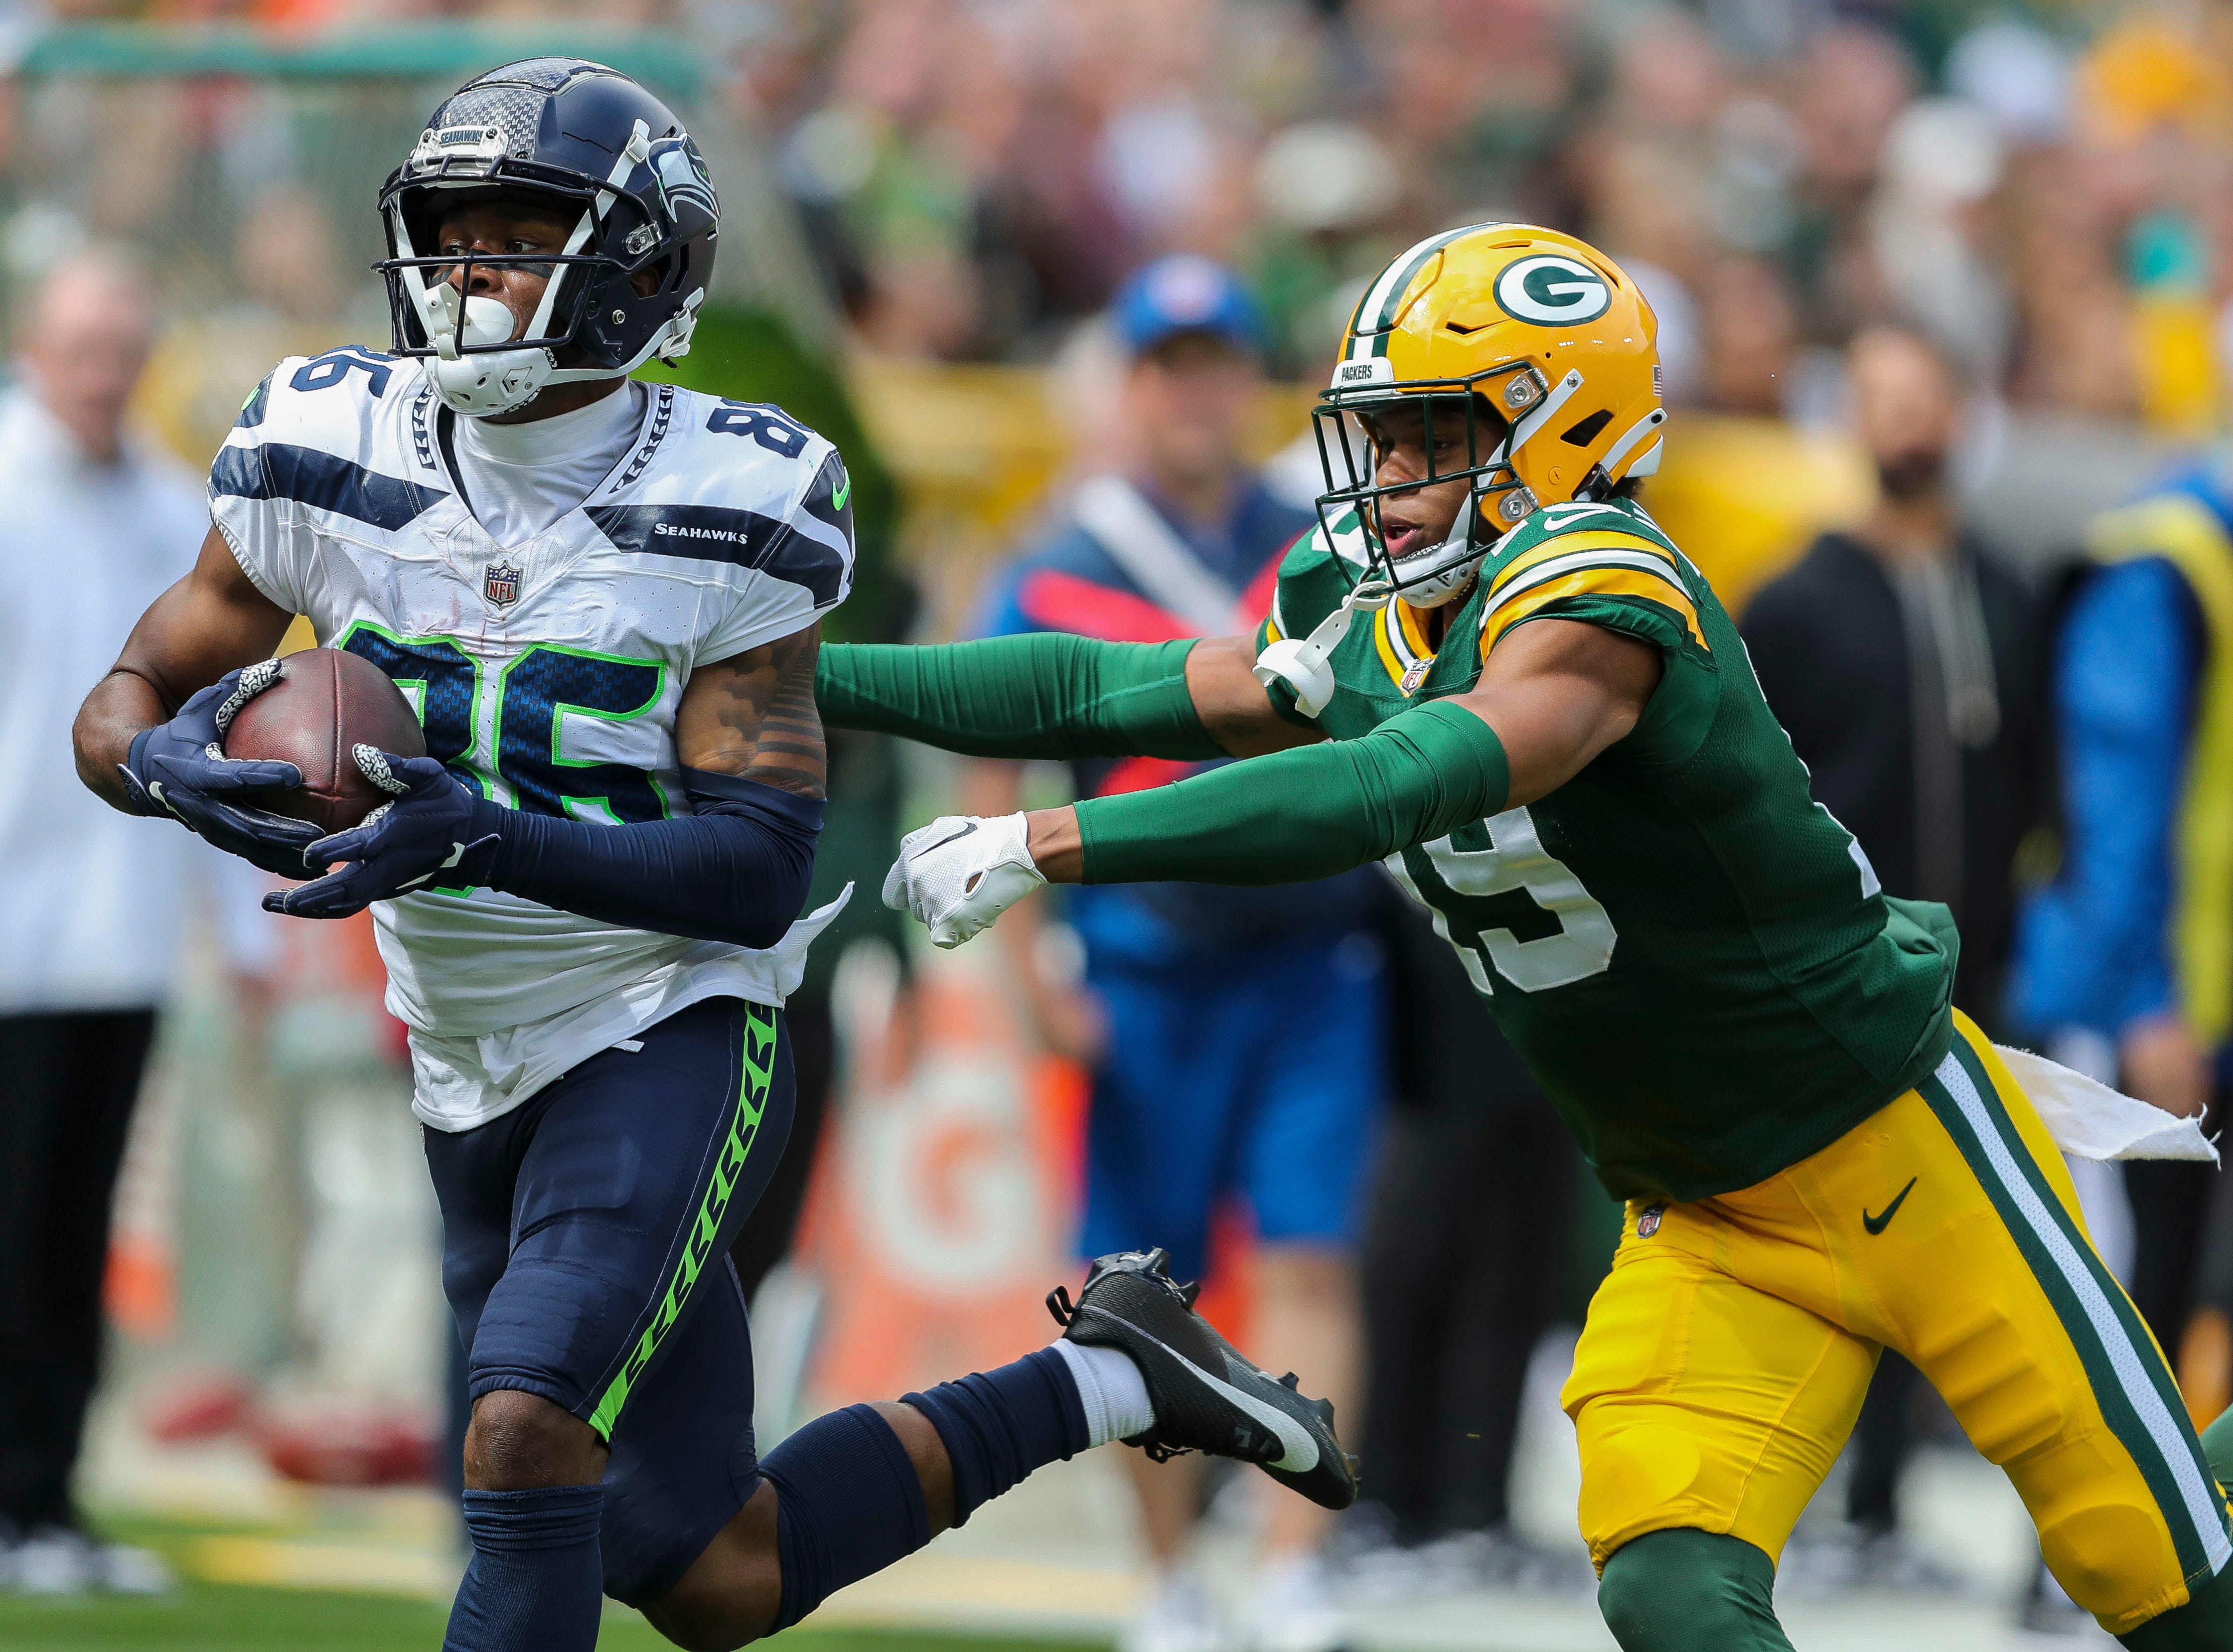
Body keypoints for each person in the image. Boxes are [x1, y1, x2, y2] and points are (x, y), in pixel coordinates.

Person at [72, 60, 1351, 1652]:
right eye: (453, 228)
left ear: (641, 271)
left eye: (523, 231)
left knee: (521, 1432)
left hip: (664, 1018)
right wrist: (159, 762)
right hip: (466, 1045)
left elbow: (751, 862)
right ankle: (1112, 1371)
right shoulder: (321, 435)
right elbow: (129, 696)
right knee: (711, 1571)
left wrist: (479, 828)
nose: (471, 268)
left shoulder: (736, 490)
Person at [819, 222, 2233, 1651]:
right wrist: (799, 673)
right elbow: (1101, 690)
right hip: (1700, 1209)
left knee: (2172, 1584)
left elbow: (1395, 781)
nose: (1387, 481)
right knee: (1671, 1591)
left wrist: (1048, 842)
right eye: (1375, 440)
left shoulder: (1599, 588)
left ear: (1562, 430)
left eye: (1427, 436)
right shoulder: (1386, 600)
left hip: (1894, 1144)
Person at [968, 254, 1382, 1652]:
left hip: (1310, 952)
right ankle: (1168, 1580)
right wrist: (1027, 976)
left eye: (1217, 364)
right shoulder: (1058, 558)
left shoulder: (1319, 536)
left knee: (1316, 1253)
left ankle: (1289, 1563)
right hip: (1146, 958)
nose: (1197, 392)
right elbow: (994, 774)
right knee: (1145, 1281)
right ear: (1131, 385)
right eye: (1171, 366)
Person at [1741, 321, 2044, 1581]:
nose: (1907, 426)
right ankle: (1802, 1502)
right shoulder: (1798, 597)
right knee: (1820, 1239)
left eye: (1927, 400)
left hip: (1976, 971)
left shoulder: (2007, 589)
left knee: (1940, 1234)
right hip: (1831, 977)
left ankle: (1881, 1498)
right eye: (1883, 401)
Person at [0, 251, 208, 1597]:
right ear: (35, 343)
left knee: (74, 1236)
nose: (101, 373)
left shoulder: (169, 502)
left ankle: (48, 1499)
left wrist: (238, 936)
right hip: (9, 936)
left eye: (122, 346)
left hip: (118, 938)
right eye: (81, 345)